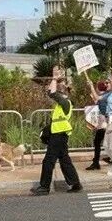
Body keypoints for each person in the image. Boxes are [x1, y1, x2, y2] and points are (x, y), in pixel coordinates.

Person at [32, 67, 82, 195]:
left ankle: (44, 187)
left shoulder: (65, 102)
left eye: (61, 87)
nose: (58, 89)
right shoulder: (62, 104)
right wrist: (55, 80)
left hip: (59, 135)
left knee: (48, 161)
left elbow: (52, 93)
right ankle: (75, 184)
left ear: (64, 92)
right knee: (65, 160)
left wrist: (54, 78)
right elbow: (50, 92)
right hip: (60, 134)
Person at [84, 76, 110, 171]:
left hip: (104, 124)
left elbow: (97, 99)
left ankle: (96, 163)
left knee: (99, 143)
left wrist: (91, 86)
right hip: (105, 124)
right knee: (102, 143)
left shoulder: (103, 98)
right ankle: (96, 162)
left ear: (98, 88)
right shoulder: (106, 96)